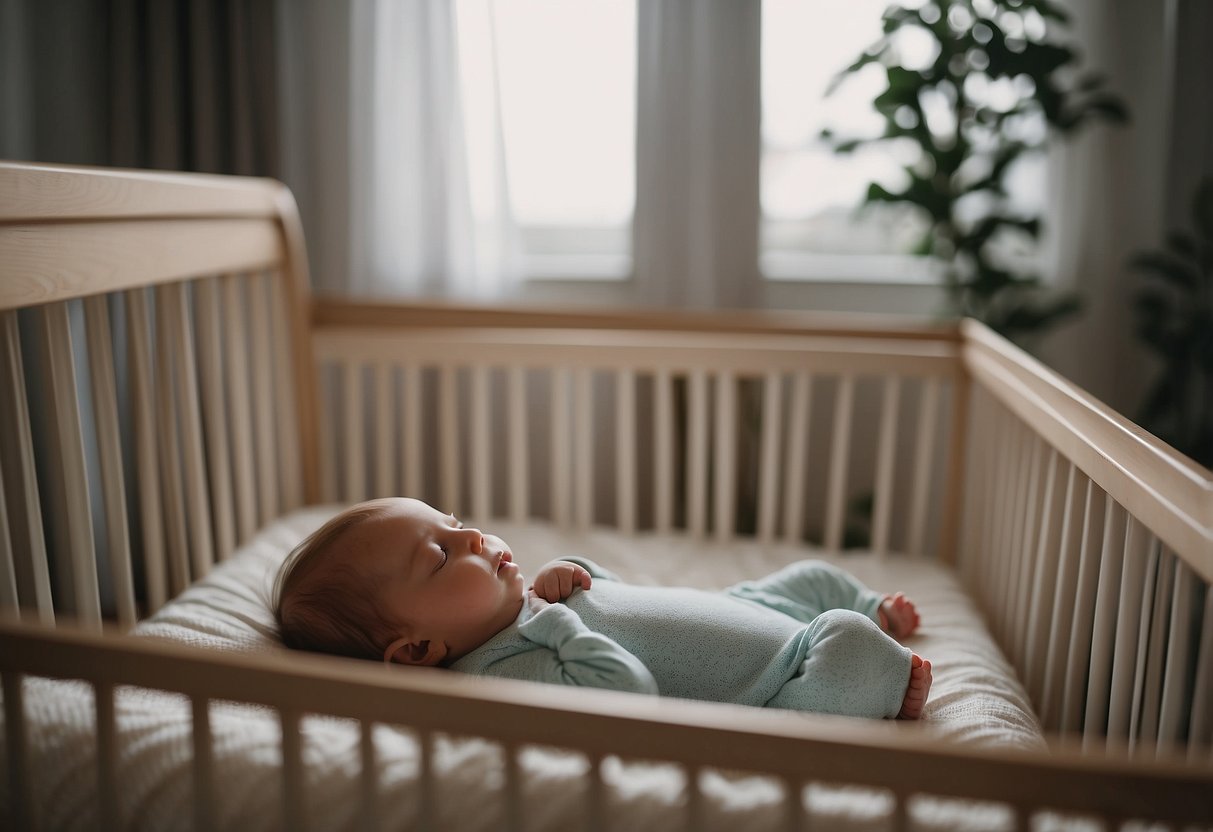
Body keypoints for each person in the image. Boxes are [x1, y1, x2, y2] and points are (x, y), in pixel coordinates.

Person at [274, 497, 932, 720]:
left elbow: (623, 601)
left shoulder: (529, 601)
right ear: (416, 650)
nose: (474, 537)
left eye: (457, 523)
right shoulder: (500, 674)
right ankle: (877, 675)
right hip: (765, 681)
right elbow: (627, 689)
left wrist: (580, 575)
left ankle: (874, 609)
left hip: (737, 610)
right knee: (843, 642)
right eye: (443, 556)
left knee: (809, 577)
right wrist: (558, 620)